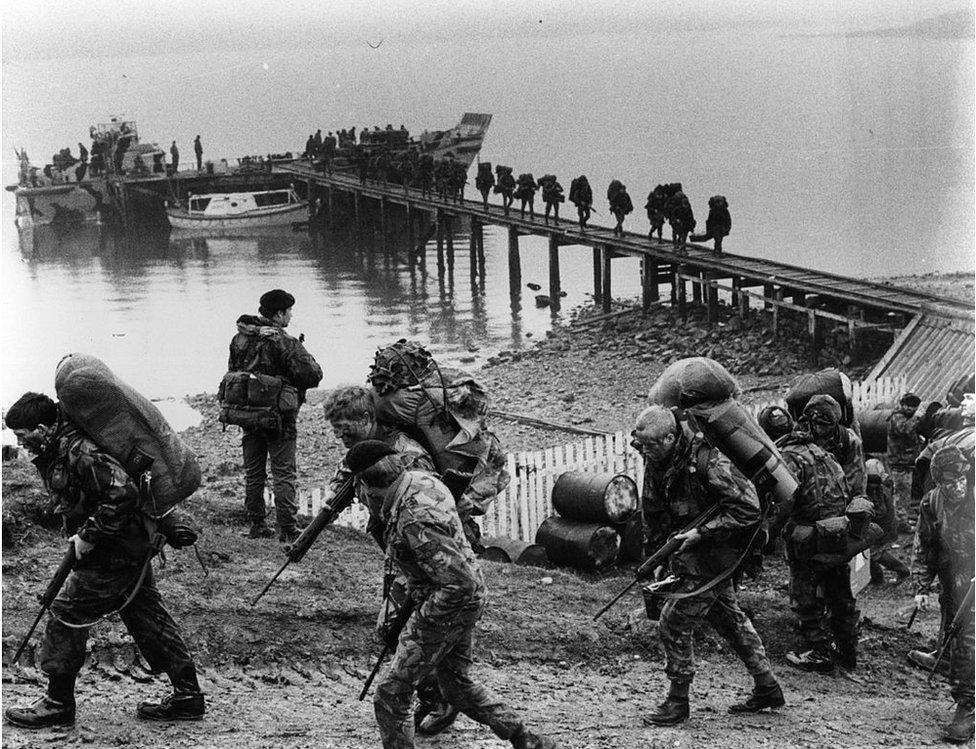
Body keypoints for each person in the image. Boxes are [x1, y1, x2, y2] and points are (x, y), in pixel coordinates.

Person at [3, 393, 204, 728]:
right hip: (128, 545)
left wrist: (87, 535)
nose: (21, 444)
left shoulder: (81, 450)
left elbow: (123, 493)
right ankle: (187, 696)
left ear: (41, 428)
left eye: (23, 436)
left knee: (67, 611)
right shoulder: (63, 446)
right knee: (147, 615)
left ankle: (57, 703)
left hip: (116, 550)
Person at [345, 441, 560, 749]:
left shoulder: (415, 517)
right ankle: (528, 740)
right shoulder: (416, 480)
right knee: (456, 687)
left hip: (451, 602)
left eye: (357, 490)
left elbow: (458, 584)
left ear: (367, 486)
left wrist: (421, 624)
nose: (359, 498)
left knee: (392, 693)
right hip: (459, 598)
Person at [631, 405, 784, 725]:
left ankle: (678, 701)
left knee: (672, 622)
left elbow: (748, 509)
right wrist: (656, 559)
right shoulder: (657, 461)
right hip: (689, 556)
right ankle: (767, 686)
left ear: (671, 438)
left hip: (717, 555)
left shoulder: (708, 460)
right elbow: (654, 510)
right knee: (729, 619)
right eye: (640, 445)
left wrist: (701, 532)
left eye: (649, 446)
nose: (643, 452)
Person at [322, 387, 459, 735]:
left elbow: (425, 500)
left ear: (367, 419)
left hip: (422, 554)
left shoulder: (408, 454)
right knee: (394, 627)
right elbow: (345, 477)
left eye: (345, 427)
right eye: (335, 428)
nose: (340, 435)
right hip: (395, 551)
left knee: (403, 626)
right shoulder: (360, 449)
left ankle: (440, 699)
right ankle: (436, 695)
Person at [229, 289, 322, 541]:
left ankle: (257, 524)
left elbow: (233, 371)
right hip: (279, 419)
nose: (291, 316)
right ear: (279, 313)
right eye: (289, 311)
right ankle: (288, 529)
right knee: (283, 473)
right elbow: (312, 376)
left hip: (248, 415)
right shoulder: (285, 341)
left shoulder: (240, 339)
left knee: (254, 472)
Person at [772, 419, 858, 672]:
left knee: (804, 594)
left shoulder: (789, 456)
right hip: (837, 532)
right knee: (840, 593)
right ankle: (847, 650)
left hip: (809, 536)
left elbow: (786, 498)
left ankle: (819, 651)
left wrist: (771, 530)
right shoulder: (824, 453)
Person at [910, 446, 974, 744]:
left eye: (963, 479)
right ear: (938, 481)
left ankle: (967, 707)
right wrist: (922, 587)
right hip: (952, 581)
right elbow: (925, 547)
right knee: (952, 629)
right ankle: (946, 657)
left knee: (968, 640)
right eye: (951, 482)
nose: (958, 486)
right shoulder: (931, 503)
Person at [802, 394, 865, 495]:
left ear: (834, 423)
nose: (818, 428)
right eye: (815, 423)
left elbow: (855, 482)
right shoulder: (802, 438)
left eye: (824, 425)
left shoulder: (849, 440)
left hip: (840, 495)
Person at [865, 458, 909, 585]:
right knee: (870, 552)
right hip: (882, 526)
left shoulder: (877, 490)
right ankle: (876, 578)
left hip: (882, 527)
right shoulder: (881, 487)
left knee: (874, 553)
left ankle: (902, 570)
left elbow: (882, 512)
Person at [888, 393, 926, 532]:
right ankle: (901, 524)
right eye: (908, 406)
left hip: (905, 463)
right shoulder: (897, 417)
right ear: (903, 405)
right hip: (900, 464)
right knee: (901, 494)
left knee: (904, 493)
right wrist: (918, 417)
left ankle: (901, 520)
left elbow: (909, 435)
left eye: (914, 408)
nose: (911, 410)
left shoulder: (905, 417)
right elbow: (904, 429)